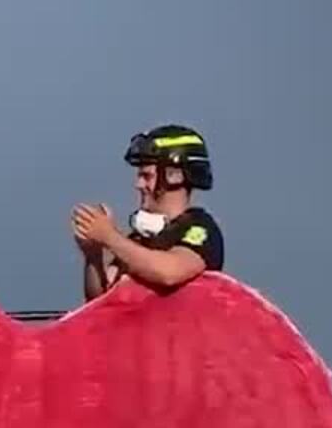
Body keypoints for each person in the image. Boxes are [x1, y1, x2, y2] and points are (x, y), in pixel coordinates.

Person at [71, 124, 224, 299]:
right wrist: (94, 255)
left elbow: (170, 272)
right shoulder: (139, 240)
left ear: (175, 176)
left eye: (147, 176)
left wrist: (109, 237)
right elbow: (100, 301)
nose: (139, 185)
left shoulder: (200, 229)